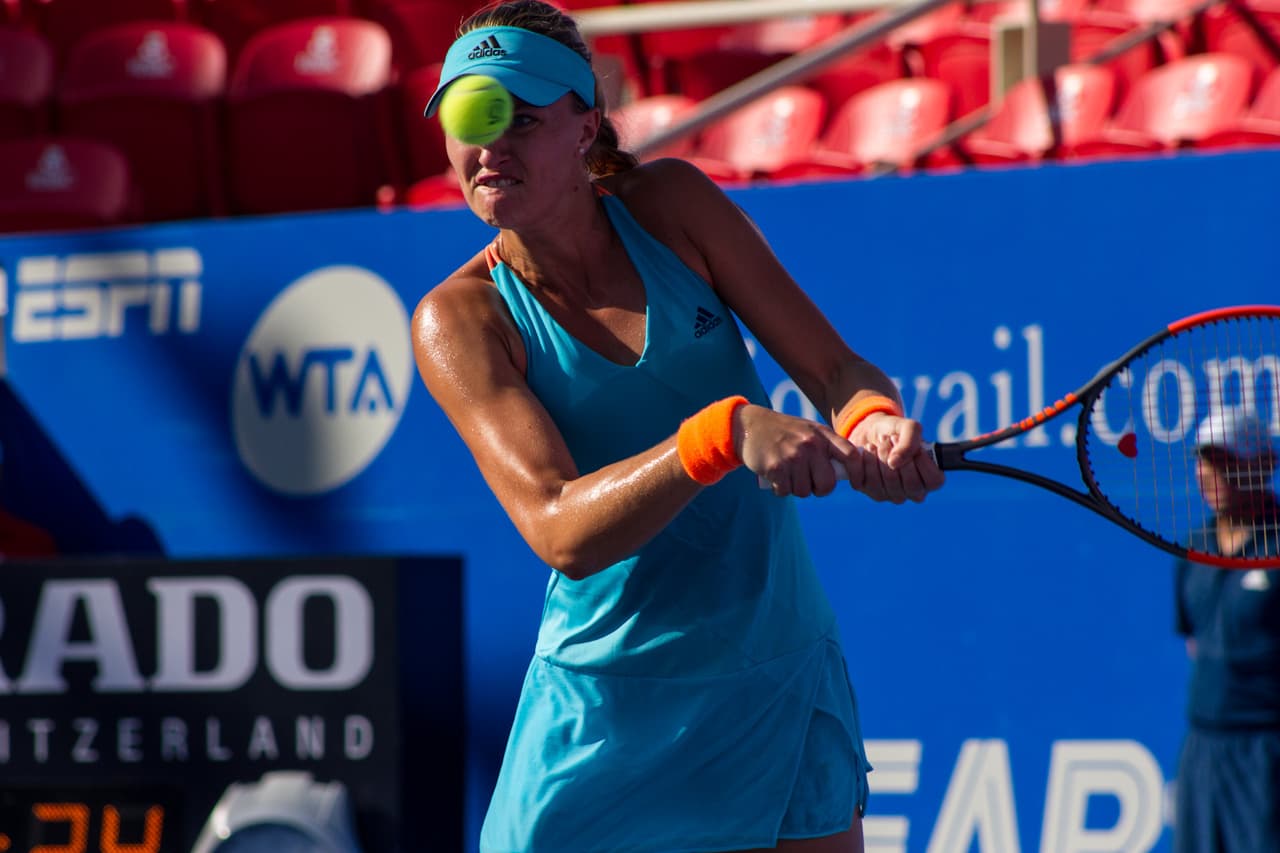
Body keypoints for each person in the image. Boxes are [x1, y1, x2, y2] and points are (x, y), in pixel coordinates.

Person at [411, 3, 946, 850]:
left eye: (522, 116)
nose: (492, 145)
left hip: (776, 669)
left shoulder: (673, 205)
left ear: (587, 127)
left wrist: (874, 420)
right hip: (606, 705)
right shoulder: (460, 320)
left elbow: (837, 373)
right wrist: (722, 433)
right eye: (471, 117)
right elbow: (559, 528)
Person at [1173, 407, 1280, 853]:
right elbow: (1194, 641)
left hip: (1268, 756)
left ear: (1264, 465)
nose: (1212, 473)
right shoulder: (1193, 547)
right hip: (1202, 752)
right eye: (1205, 460)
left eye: (1226, 461)